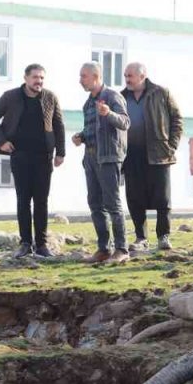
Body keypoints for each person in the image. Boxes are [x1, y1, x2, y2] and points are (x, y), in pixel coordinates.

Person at [0, 64, 66, 258]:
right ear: (26, 78)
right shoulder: (11, 96)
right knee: (23, 200)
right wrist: (2, 141)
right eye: (35, 77)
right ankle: (25, 243)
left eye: (42, 78)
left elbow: (59, 125)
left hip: (43, 156)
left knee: (41, 201)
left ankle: (42, 244)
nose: (39, 81)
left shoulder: (50, 97)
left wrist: (60, 152)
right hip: (20, 155)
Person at [120, 62, 183, 252]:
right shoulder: (121, 97)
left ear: (142, 76)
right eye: (125, 76)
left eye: (130, 76)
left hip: (158, 154)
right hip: (131, 155)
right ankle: (141, 237)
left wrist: (171, 146)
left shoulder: (161, 93)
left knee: (162, 198)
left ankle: (163, 236)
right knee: (134, 198)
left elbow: (177, 120)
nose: (127, 79)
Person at [71, 62, 131, 263]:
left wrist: (109, 113)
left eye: (83, 76)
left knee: (113, 204)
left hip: (108, 158)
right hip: (90, 158)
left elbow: (125, 122)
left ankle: (121, 249)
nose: (80, 80)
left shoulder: (113, 97)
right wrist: (81, 137)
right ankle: (103, 249)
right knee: (95, 204)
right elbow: (91, 130)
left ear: (95, 76)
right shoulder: (88, 103)